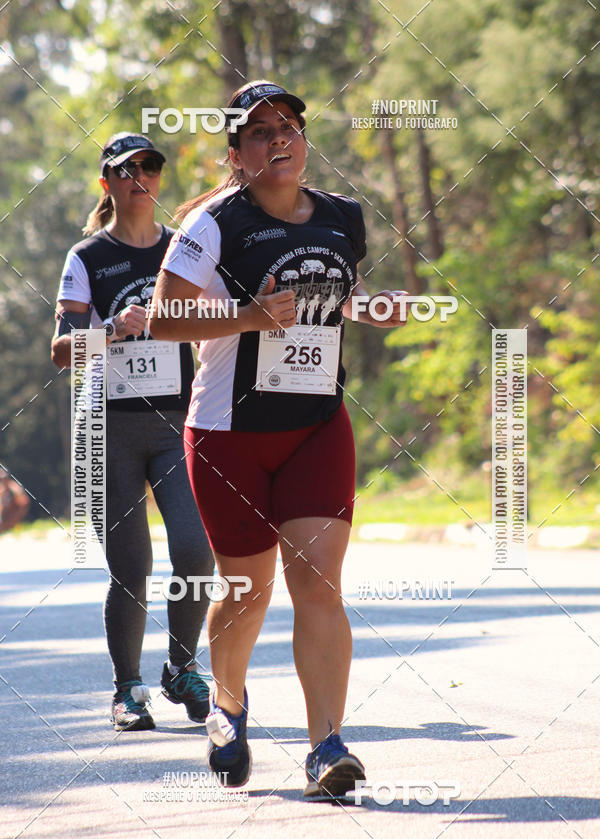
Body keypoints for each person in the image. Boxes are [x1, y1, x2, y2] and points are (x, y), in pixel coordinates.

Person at [149, 82, 406, 796]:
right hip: (229, 434)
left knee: (318, 582)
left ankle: (326, 746)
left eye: (288, 126)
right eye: (259, 132)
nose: (278, 139)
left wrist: (372, 308)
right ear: (237, 154)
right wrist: (248, 317)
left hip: (316, 425)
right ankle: (228, 705)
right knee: (245, 593)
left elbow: (339, 295)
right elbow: (163, 319)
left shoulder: (342, 216)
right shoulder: (210, 224)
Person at [51, 133, 214, 731]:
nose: (140, 176)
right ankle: (127, 690)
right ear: (108, 183)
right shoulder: (87, 257)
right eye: (127, 169)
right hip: (108, 428)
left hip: (176, 424)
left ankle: (181, 667)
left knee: (195, 551)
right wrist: (112, 330)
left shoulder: (182, 249)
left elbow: (220, 313)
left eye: (150, 166)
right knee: (132, 566)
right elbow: (61, 351)